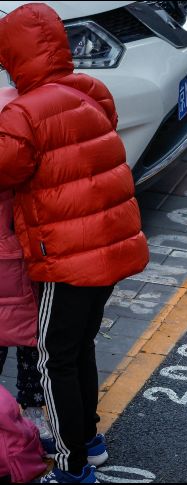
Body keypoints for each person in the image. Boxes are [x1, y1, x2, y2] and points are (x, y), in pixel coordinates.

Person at [0, 4, 149, 483]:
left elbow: (7, 168)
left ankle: (70, 467)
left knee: (53, 358)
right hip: (110, 248)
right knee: (80, 346)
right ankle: (89, 440)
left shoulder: (24, 112)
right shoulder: (89, 89)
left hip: (68, 260)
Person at [0, 87, 53, 449]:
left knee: (30, 336)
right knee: (28, 336)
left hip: (23, 256)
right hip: (16, 257)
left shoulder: (15, 114)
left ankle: (32, 409)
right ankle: (31, 410)